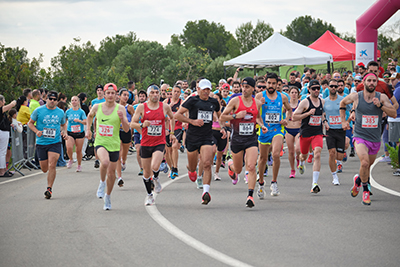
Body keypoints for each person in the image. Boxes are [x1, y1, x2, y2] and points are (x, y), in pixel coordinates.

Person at [340, 72, 396, 205]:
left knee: (367, 166)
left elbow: (393, 113)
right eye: (369, 81)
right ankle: (365, 190)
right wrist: (343, 121)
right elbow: (342, 103)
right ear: (364, 82)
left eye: (374, 81)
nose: (371, 83)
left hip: (375, 138)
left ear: (377, 83)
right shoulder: (356, 96)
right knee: (364, 163)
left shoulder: (381, 97)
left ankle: (358, 181)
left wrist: (381, 107)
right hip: (360, 136)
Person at [175, 79, 222, 205]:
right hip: (192, 136)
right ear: (199, 89)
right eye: (204, 89)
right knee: (192, 166)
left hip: (206, 136)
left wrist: (222, 128)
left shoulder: (214, 102)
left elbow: (219, 115)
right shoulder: (192, 100)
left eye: (208, 89)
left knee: (207, 163)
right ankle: (191, 170)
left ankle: (205, 192)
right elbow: (177, 115)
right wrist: (192, 121)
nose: (206, 92)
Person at [221, 77, 266, 207]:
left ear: (253, 88)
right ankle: (231, 166)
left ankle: (250, 196)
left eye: (247, 87)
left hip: (251, 139)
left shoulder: (257, 103)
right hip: (237, 139)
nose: (244, 89)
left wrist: (261, 125)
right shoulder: (235, 101)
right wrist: (236, 116)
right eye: (243, 86)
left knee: (251, 166)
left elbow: (257, 117)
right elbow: (222, 116)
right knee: (238, 169)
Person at [86, 83, 130, 210]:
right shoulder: (97, 107)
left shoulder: (120, 109)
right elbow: (89, 116)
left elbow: (127, 129)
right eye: (108, 93)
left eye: (113, 93)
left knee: (111, 174)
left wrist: (122, 120)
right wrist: (88, 130)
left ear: (116, 95)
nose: (110, 95)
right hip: (100, 142)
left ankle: (108, 196)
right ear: (104, 95)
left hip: (114, 144)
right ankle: (102, 182)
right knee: (104, 162)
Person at [131, 84, 175, 206]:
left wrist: (170, 132)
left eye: (157, 93)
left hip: (159, 142)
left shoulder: (164, 107)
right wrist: (142, 125)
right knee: (146, 173)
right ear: (148, 94)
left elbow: (172, 118)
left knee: (155, 166)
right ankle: (150, 195)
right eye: (153, 93)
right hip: (145, 142)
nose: (155, 95)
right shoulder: (141, 107)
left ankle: (155, 177)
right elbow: (132, 124)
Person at [256, 73, 292, 198]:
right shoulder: (260, 96)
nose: (271, 86)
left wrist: (286, 119)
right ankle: (260, 183)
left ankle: (274, 182)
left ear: (277, 84)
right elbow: (256, 114)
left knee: (276, 154)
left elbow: (289, 109)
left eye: (273, 83)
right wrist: (261, 124)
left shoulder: (282, 97)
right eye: (269, 83)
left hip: (278, 129)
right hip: (265, 130)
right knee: (263, 159)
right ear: (266, 83)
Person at [28, 91, 67, 199]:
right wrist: (37, 131)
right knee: (44, 168)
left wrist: (64, 132)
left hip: (55, 142)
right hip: (41, 142)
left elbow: (63, 124)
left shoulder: (60, 112)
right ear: (47, 99)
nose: (52, 101)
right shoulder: (38, 111)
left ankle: (49, 188)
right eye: (50, 99)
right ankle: (48, 183)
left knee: (52, 164)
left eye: (55, 99)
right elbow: (30, 123)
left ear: (57, 101)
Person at [293, 80, 325, 193]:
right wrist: (307, 113)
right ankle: (301, 162)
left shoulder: (322, 101)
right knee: (303, 156)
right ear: (309, 89)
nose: (316, 90)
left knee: (317, 154)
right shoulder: (305, 102)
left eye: (318, 88)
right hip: (306, 133)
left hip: (317, 133)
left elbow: (323, 114)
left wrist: (325, 121)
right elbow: (294, 116)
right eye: (314, 88)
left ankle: (314, 184)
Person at [323, 79, 349, 185]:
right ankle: (334, 177)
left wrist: (347, 122)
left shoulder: (343, 99)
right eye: (331, 86)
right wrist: (325, 121)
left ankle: (340, 161)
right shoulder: (324, 101)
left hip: (341, 130)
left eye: (335, 86)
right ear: (328, 87)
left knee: (339, 156)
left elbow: (352, 110)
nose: (333, 88)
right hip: (330, 130)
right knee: (331, 153)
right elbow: (321, 113)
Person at [115, 88, 135, 187]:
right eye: (124, 95)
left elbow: (135, 118)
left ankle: (124, 161)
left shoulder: (129, 107)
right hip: (117, 132)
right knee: (118, 153)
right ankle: (119, 177)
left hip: (126, 132)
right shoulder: (115, 107)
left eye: (127, 95)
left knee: (124, 154)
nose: (126, 97)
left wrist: (131, 124)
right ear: (119, 96)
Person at [164, 85, 183, 179]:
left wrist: (184, 122)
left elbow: (185, 113)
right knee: (168, 151)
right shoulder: (166, 102)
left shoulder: (181, 103)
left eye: (178, 92)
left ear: (180, 93)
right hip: (167, 128)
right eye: (174, 91)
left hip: (177, 127)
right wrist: (169, 106)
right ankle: (171, 168)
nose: (175, 93)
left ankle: (175, 168)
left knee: (174, 146)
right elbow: (162, 113)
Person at [65, 96, 87, 172]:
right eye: (72, 100)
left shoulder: (81, 112)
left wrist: (79, 121)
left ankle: (79, 165)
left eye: (75, 100)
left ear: (78, 102)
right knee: (69, 148)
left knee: (78, 151)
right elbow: (64, 122)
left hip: (79, 133)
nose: (74, 102)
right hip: (70, 132)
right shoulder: (68, 111)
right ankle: (71, 159)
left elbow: (85, 121)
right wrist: (63, 131)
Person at [285, 86, 301, 178]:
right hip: (288, 129)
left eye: (296, 92)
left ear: (298, 94)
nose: (294, 94)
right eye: (292, 92)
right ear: (289, 94)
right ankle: (292, 169)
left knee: (298, 149)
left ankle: (298, 158)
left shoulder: (300, 104)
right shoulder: (287, 104)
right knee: (291, 151)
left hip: (298, 129)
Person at [0, 96, 17, 177]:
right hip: (2, 132)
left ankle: (3, 169)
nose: (4, 102)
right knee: (2, 152)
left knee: (2, 152)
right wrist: (13, 103)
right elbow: (10, 105)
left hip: (4, 131)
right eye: (3, 101)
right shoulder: (1, 109)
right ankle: (2, 171)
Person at [90, 84, 106, 169]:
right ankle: (97, 159)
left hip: (104, 123)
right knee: (96, 141)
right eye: (98, 90)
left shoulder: (105, 100)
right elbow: (91, 114)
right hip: (95, 124)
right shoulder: (93, 102)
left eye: (101, 90)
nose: (99, 92)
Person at [133, 90, 148, 176]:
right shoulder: (135, 107)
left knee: (145, 150)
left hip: (146, 131)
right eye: (140, 96)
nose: (141, 98)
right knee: (138, 149)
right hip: (137, 131)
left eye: (143, 96)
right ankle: (141, 167)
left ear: (146, 97)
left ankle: (148, 167)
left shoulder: (147, 106)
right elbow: (132, 121)